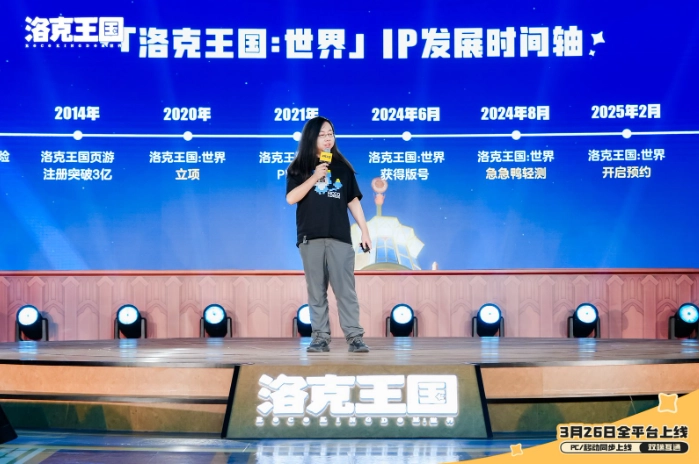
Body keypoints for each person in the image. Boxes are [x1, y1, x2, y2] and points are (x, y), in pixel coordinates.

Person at [286, 117, 372, 353]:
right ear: (311, 138)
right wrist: (314, 176)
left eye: (330, 134)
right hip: (310, 238)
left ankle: (355, 337)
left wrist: (365, 231)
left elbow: (353, 201)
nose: (328, 138)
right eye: (322, 134)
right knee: (316, 291)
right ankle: (320, 338)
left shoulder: (343, 168)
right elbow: (291, 198)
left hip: (339, 237)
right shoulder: (299, 168)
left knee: (345, 290)